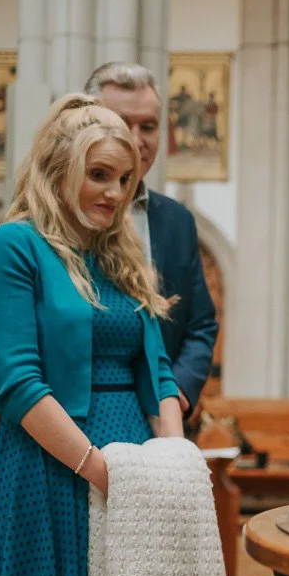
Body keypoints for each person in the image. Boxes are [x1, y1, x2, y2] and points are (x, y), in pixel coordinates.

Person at [0, 94, 191, 576]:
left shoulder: (121, 260)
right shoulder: (15, 247)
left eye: (123, 179)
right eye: (98, 175)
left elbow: (158, 373)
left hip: (132, 474)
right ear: (58, 167)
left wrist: (173, 458)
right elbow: (17, 384)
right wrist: (95, 467)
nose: (113, 193)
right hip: (51, 472)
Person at [84, 63, 219, 419]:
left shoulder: (176, 221)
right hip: (80, 414)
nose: (135, 137)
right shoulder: (58, 221)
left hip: (160, 416)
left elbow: (200, 324)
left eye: (148, 126)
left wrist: (176, 394)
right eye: (120, 122)